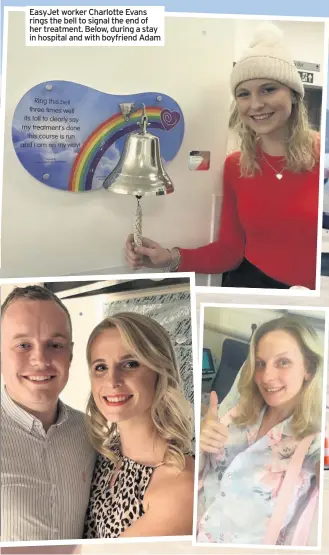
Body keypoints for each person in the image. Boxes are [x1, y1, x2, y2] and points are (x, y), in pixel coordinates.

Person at [125, 23, 320, 289]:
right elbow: (229, 251)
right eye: (244, 94)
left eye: (268, 89)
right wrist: (168, 258)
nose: (255, 104)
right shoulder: (236, 166)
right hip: (249, 286)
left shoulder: (321, 156)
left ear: (295, 95)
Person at [197, 315, 322, 546]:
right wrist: (201, 439)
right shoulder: (237, 412)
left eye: (283, 362)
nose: (266, 377)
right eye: (261, 364)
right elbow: (199, 469)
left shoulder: (314, 444)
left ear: (309, 369)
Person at [83, 312, 194, 538]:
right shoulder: (103, 453)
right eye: (101, 367)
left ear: (160, 371)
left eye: (130, 364)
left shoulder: (179, 483)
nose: (112, 381)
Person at [1, 286, 96, 544]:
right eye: (23, 345)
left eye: (55, 345)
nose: (40, 359)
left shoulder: (91, 434)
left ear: (71, 355)